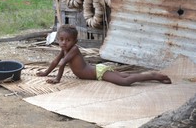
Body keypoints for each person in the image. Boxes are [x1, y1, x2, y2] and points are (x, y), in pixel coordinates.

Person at [36, 24, 172, 86]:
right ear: (58, 39)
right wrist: (46, 73)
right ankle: (151, 76)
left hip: (98, 73)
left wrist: (57, 79)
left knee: (124, 81)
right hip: (96, 70)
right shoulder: (64, 49)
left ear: (75, 41)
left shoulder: (74, 49)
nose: (64, 43)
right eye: (61, 40)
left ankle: (153, 76)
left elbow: (62, 63)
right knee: (125, 76)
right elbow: (55, 62)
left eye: (68, 40)